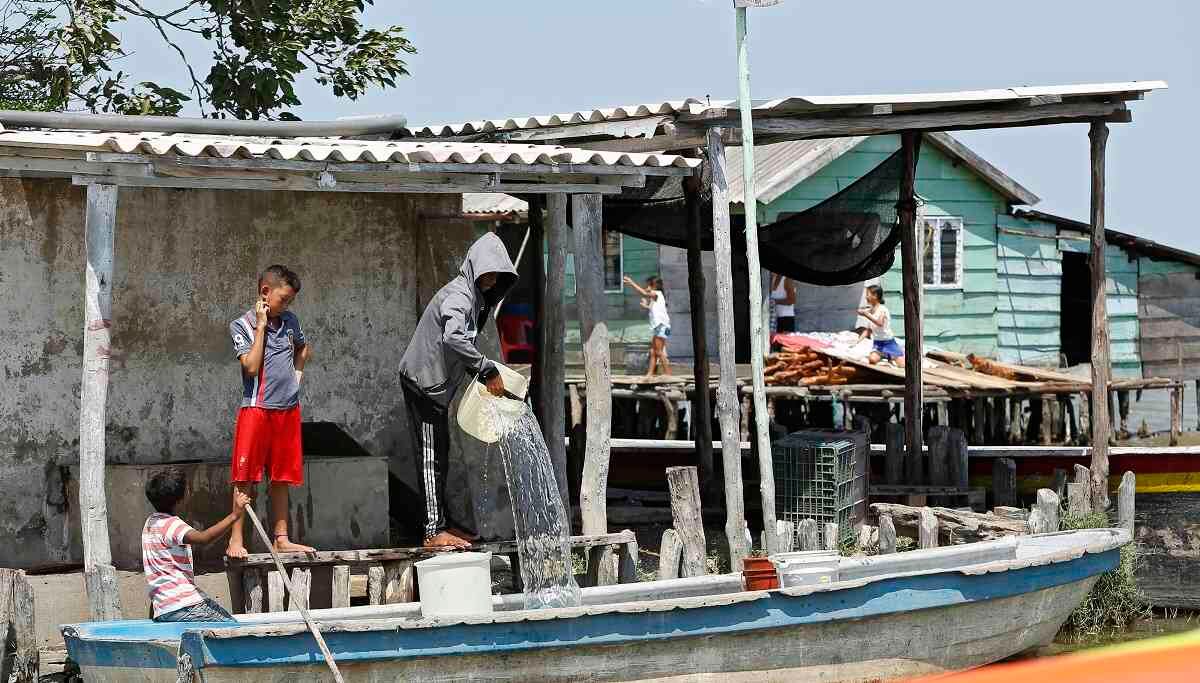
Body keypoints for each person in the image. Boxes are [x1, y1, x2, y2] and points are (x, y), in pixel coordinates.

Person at [399, 233, 517, 549]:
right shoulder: (459, 297)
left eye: (497, 275)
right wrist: (486, 368)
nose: (491, 280)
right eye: (486, 273)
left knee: (441, 455)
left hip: (437, 388)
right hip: (422, 384)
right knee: (430, 458)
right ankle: (432, 531)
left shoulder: (476, 300)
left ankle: (443, 524)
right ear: (473, 270)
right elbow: (453, 337)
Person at [225, 265, 313, 559]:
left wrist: (296, 378)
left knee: (282, 476)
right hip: (256, 409)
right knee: (245, 476)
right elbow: (250, 366)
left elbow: (302, 349)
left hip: (287, 410)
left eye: (289, 302)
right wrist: (261, 327)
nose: (287, 306)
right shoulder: (242, 325)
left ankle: (281, 538)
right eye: (283, 299)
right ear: (265, 292)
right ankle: (236, 539)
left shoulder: (290, 321)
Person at [143, 467, 250, 622]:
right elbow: (203, 538)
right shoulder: (172, 525)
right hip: (185, 605)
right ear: (181, 499)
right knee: (231, 628)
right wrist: (235, 515)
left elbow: (158, 577)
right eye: (187, 489)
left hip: (164, 609)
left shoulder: (150, 524)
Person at [623, 274, 671, 376]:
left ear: (655, 286)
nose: (647, 288)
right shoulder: (655, 298)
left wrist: (631, 283)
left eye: (649, 286)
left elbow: (643, 293)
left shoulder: (657, 293)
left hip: (661, 327)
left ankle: (668, 374)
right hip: (659, 327)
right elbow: (655, 310)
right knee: (653, 351)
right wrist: (646, 306)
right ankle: (649, 373)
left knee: (658, 352)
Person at [857, 284, 905, 368]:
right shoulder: (870, 310)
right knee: (872, 360)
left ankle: (892, 355)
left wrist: (866, 314)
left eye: (867, 295)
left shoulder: (883, 309)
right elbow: (868, 330)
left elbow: (880, 323)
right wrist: (857, 342)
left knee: (902, 365)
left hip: (888, 342)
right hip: (878, 344)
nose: (866, 297)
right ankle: (886, 356)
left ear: (875, 296)